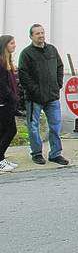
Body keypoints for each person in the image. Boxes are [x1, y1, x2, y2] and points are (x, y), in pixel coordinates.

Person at [17, 24, 69, 166]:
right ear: (31, 36)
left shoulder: (52, 49)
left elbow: (60, 66)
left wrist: (58, 84)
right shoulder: (26, 53)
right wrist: (35, 90)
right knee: (33, 127)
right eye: (37, 33)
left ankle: (55, 153)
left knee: (55, 127)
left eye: (42, 32)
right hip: (35, 99)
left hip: (52, 96)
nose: (41, 35)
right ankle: (37, 153)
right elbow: (24, 75)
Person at [0, 35, 19, 172]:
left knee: (4, 131)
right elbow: (2, 85)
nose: (14, 45)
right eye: (12, 43)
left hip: (9, 102)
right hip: (3, 103)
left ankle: (2, 157)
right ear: (5, 45)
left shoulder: (8, 61)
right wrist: (12, 97)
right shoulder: (1, 63)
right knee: (11, 130)